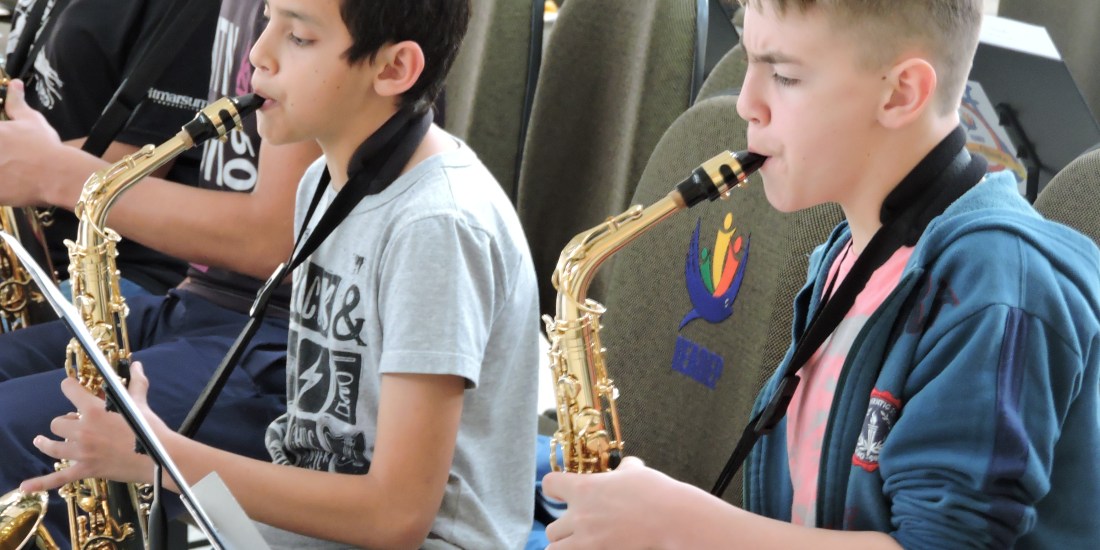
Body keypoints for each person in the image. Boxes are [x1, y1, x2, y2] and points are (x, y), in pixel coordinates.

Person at [537, 1, 1100, 548]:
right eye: (748, 61)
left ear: (901, 93)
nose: (747, 104)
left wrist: (677, 524)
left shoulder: (998, 288)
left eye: (783, 75)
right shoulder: (848, 253)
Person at [20, 0, 541, 548]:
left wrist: (157, 455)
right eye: (268, 19)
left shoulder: (435, 227)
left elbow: (396, 517)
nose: (257, 55)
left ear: (394, 69)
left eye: (298, 37)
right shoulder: (324, 180)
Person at [0, 0, 322, 544]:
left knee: (13, 430)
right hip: (198, 302)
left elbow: (277, 242)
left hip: (279, 342)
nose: (261, 52)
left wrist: (59, 173)